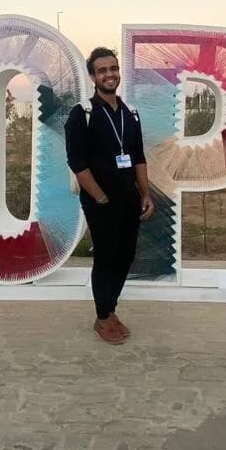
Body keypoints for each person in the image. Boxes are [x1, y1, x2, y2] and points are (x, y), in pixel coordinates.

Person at [65, 47, 155, 344]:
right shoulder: (82, 114)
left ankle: (109, 309)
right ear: (93, 77)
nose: (109, 74)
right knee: (105, 258)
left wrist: (145, 193)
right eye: (102, 70)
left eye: (113, 69)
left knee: (125, 256)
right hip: (100, 201)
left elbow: (138, 157)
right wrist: (101, 199)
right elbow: (77, 163)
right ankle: (102, 317)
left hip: (129, 198)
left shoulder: (131, 114)